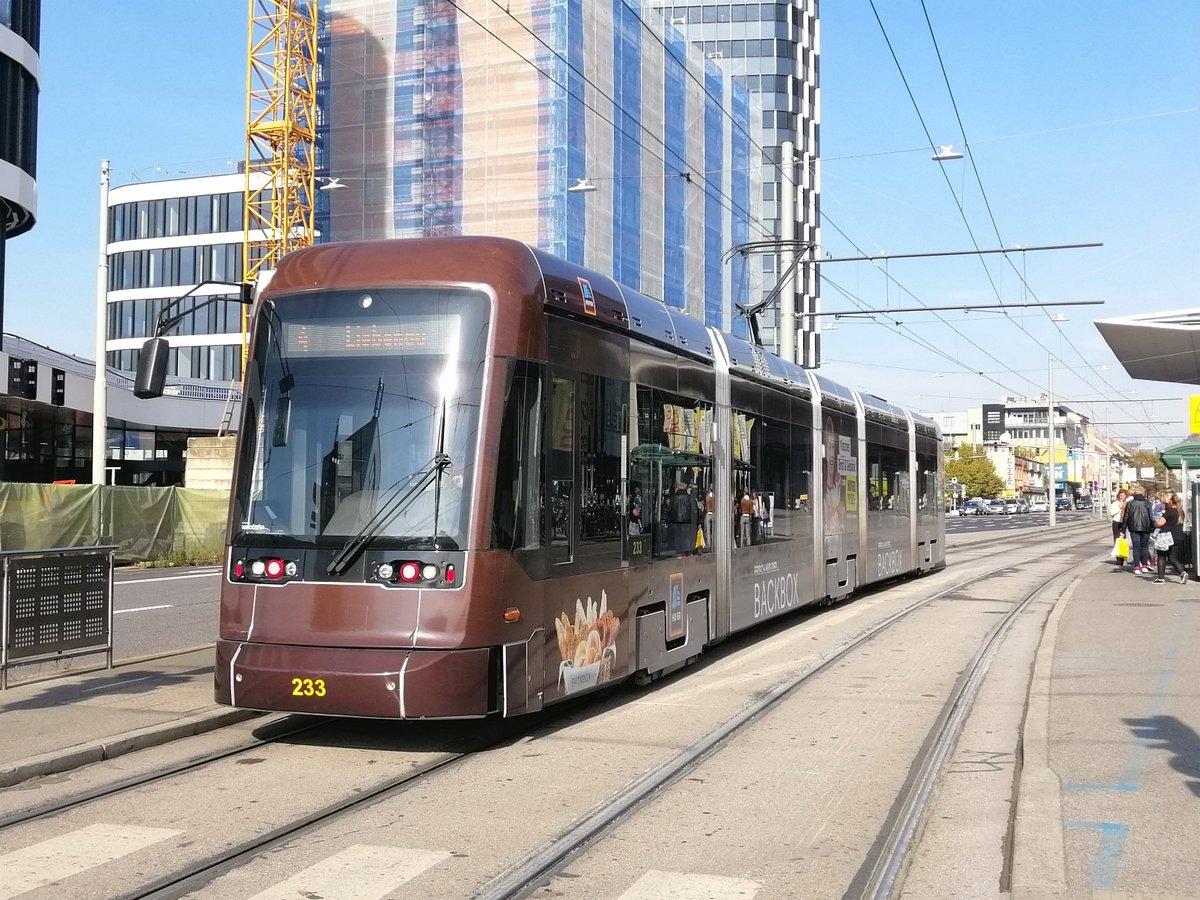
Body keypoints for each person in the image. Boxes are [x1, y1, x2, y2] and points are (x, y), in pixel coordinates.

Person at [1152, 491, 1187, 584]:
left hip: (1167, 537)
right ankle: (1182, 573)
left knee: (1162, 557)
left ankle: (1160, 578)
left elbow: (1159, 523)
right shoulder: (1181, 512)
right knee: (1172, 558)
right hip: (1178, 537)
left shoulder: (1170, 512)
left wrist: (1154, 522)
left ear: (1171, 502)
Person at [1122, 485, 1155, 575]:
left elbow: (1126, 517)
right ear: (1143, 493)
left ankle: (1137, 566)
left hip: (1133, 527)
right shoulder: (1148, 503)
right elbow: (1151, 516)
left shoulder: (1130, 503)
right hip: (1146, 527)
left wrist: (1123, 529)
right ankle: (1144, 565)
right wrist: (1153, 527)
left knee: (1136, 547)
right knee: (1144, 546)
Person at [669, 481, 698, 557]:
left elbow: (669, 510)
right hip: (687, 521)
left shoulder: (673, 498)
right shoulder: (690, 498)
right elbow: (694, 511)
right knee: (686, 537)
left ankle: (679, 552)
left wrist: (670, 519)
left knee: (677, 537)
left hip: (675, 521)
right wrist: (695, 522)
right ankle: (686, 551)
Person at [1109, 489, 1128, 567]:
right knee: (1117, 540)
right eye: (1120, 495)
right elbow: (1111, 513)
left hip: (1124, 522)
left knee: (1124, 540)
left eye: (1123, 495)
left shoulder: (1127, 503)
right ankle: (1119, 559)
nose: (1122, 497)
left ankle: (1124, 558)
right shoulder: (1115, 503)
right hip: (1117, 522)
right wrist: (1119, 508)